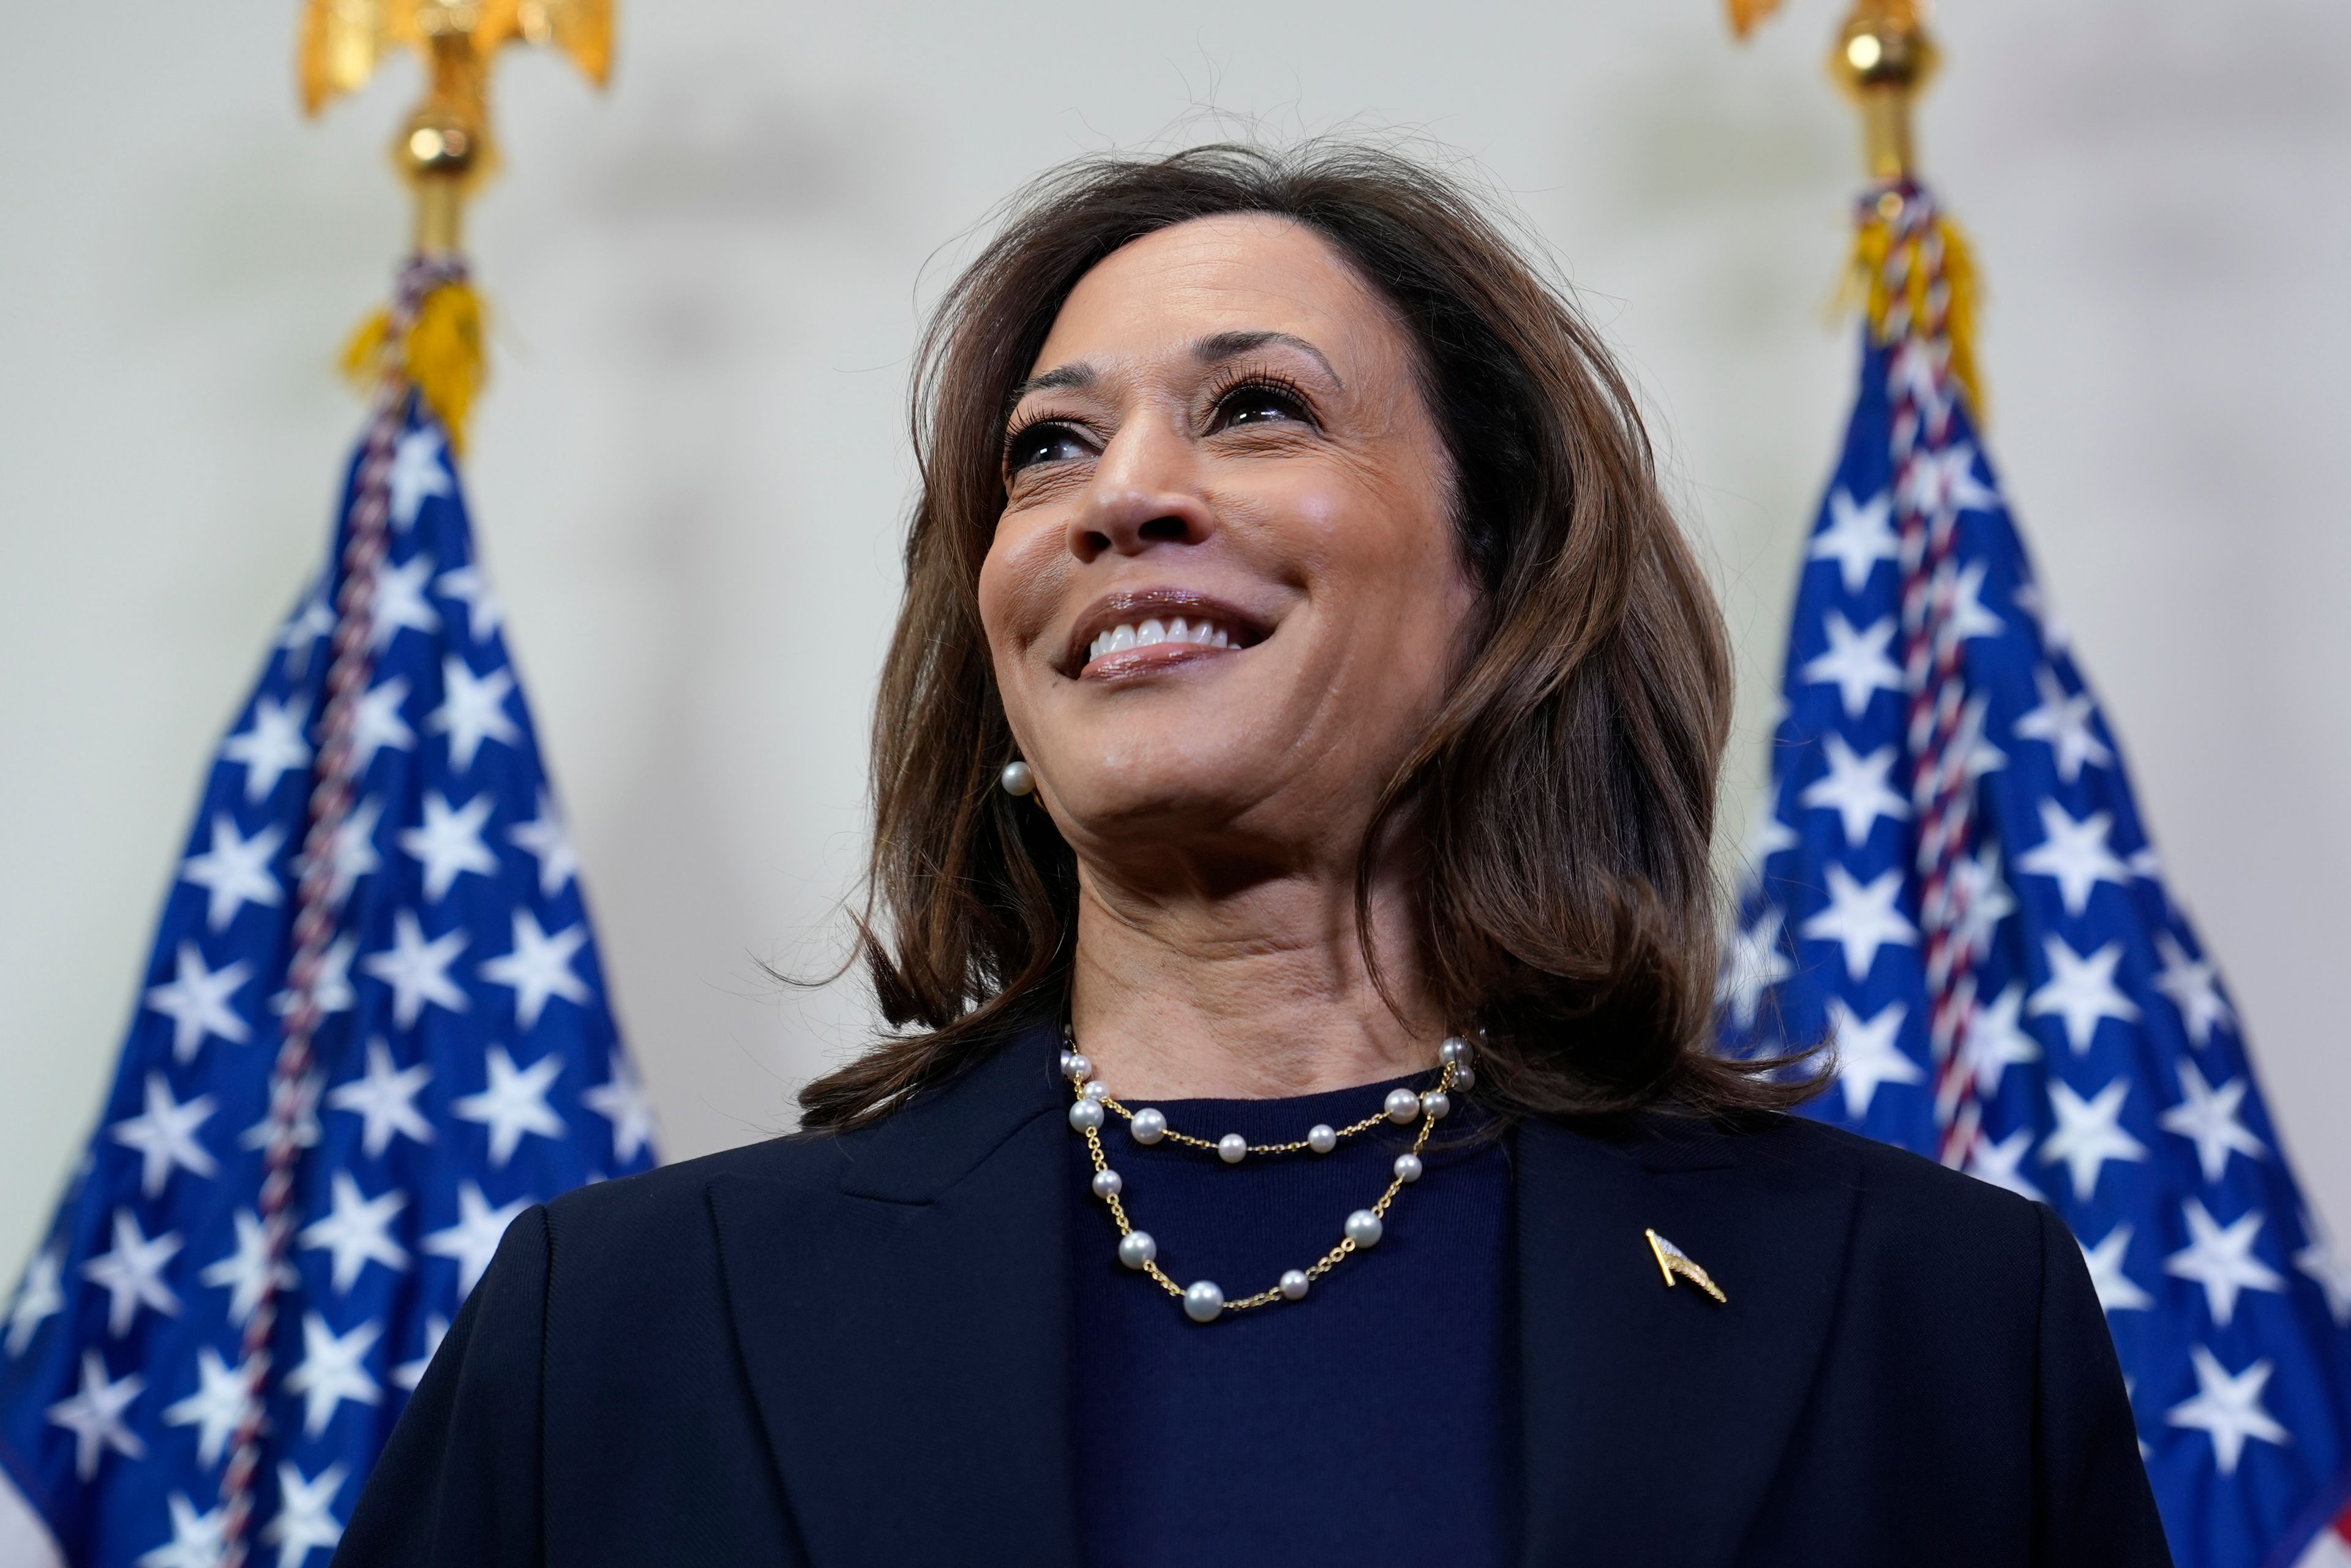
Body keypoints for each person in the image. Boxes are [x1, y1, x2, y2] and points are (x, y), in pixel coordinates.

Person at [335, 141, 2171, 1567]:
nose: (1121, 494)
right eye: (1048, 448)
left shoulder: (1933, 1324)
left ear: (1500, 584)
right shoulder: (620, 1328)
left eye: (1257, 405)